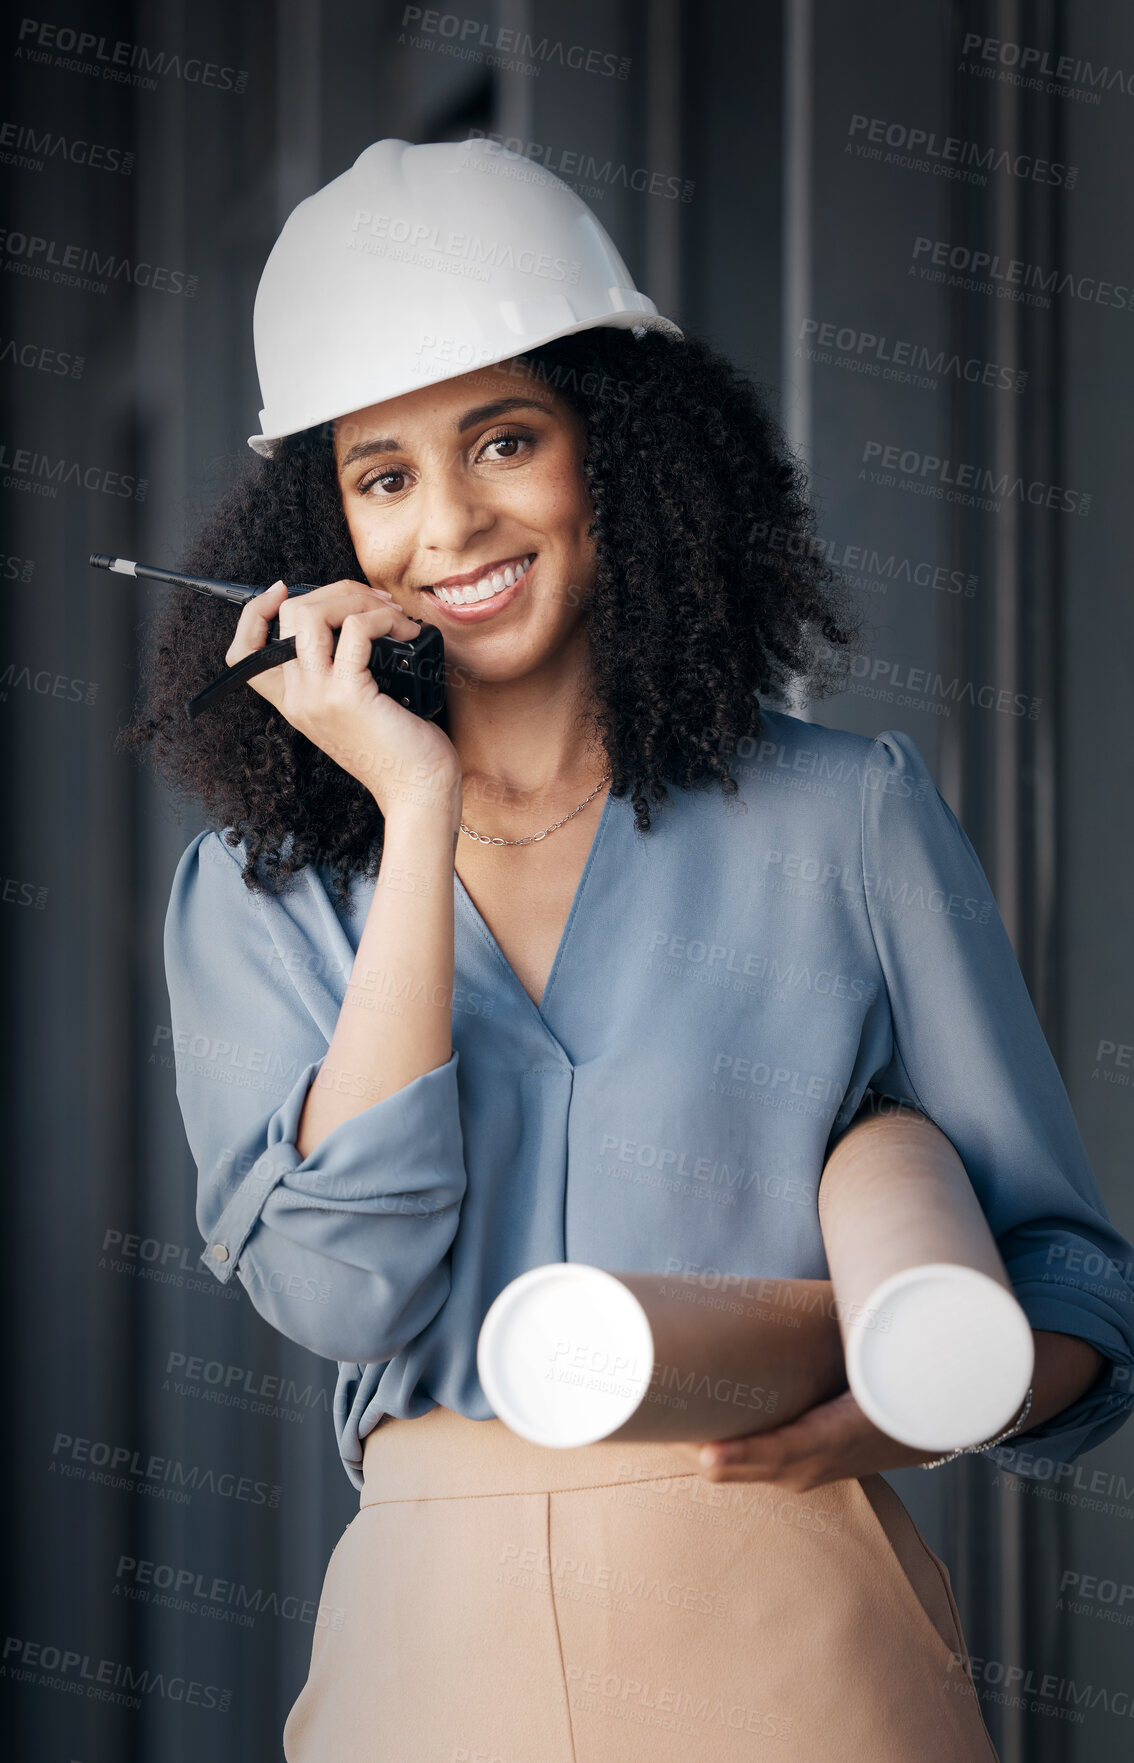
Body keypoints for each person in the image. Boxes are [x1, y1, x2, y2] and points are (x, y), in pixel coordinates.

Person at [125, 140, 1134, 1761]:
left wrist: (946, 1384)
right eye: (383, 476)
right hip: (430, 1668)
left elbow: (1072, 1276)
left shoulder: (846, 822)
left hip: (794, 1622)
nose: (448, 525)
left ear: (621, 452)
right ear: (320, 530)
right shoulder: (257, 895)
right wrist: (414, 805)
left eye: (504, 440)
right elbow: (339, 1284)